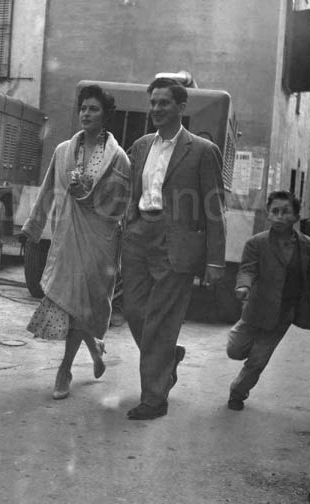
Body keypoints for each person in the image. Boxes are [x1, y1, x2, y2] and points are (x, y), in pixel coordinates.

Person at [121, 76, 226, 420]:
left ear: (181, 107)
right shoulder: (140, 146)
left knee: (160, 321)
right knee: (134, 311)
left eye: (163, 103)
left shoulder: (203, 150)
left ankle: (154, 399)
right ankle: (169, 356)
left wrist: (215, 260)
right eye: (152, 102)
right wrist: (129, 225)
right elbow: (132, 192)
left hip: (176, 243)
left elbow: (214, 209)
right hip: (139, 236)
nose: (156, 109)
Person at [22, 84, 130, 399]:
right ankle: (73, 363)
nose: (86, 113)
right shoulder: (62, 151)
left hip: (100, 240)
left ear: (105, 115)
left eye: (93, 109)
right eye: (83, 108)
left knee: (85, 305)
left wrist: (91, 194)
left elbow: (121, 205)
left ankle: (73, 363)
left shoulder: (119, 158)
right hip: (68, 235)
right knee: (71, 304)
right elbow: (47, 190)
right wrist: (33, 227)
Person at [226, 191, 310, 411]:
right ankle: (242, 340)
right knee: (234, 350)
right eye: (275, 211)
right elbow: (247, 269)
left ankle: (237, 393)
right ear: (268, 214)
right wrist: (243, 286)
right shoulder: (256, 243)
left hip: (283, 314)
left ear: (296, 216)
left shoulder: (306, 246)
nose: (279, 217)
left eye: (286, 212)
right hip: (255, 309)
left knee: (258, 360)